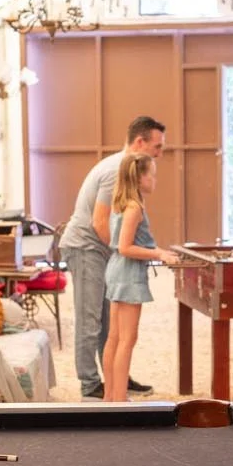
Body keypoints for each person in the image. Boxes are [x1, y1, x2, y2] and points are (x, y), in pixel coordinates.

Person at [64, 116, 166, 399]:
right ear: (140, 143)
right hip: (87, 247)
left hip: (105, 250)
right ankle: (90, 383)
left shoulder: (124, 173)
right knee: (90, 319)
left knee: (111, 327)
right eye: (157, 147)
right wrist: (123, 256)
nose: (159, 154)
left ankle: (115, 381)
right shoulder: (115, 172)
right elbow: (100, 223)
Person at [101, 153, 178, 402]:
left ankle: (110, 397)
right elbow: (125, 247)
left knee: (114, 337)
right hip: (128, 272)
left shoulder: (120, 204)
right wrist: (159, 253)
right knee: (127, 339)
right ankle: (120, 399)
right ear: (140, 178)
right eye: (152, 175)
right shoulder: (135, 208)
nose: (155, 180)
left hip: (116, 270)